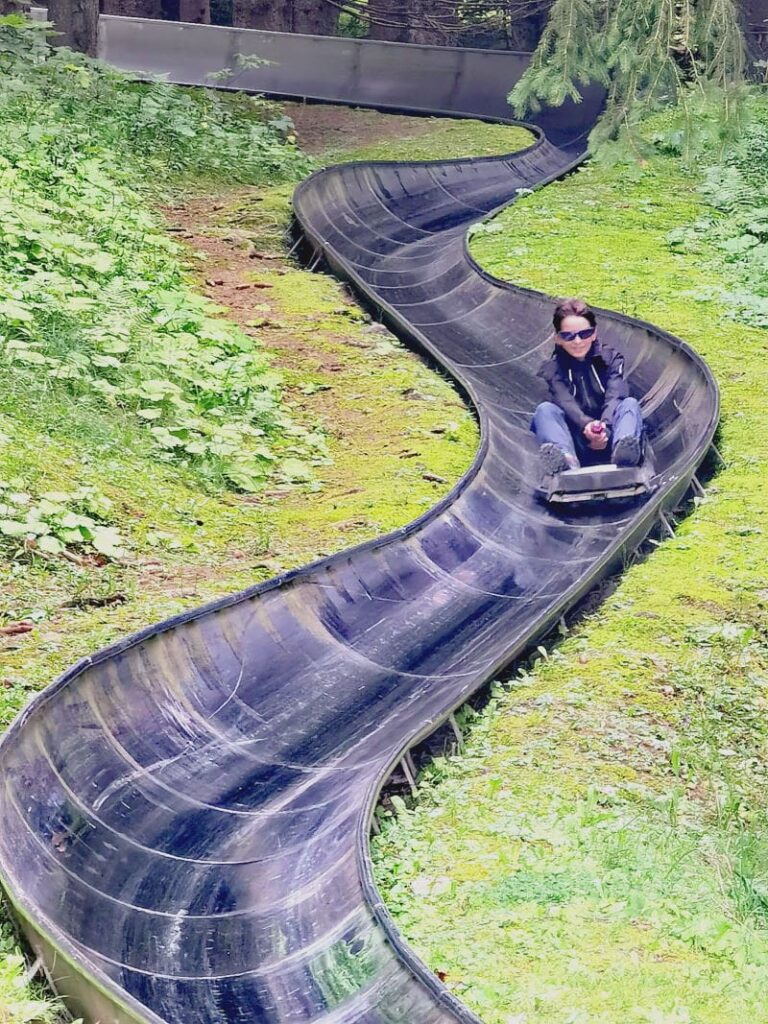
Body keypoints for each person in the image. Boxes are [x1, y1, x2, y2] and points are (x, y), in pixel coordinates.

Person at [531, 297, 644, 475]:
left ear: (593, 334)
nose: (577, 341)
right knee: (545, 410)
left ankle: (624, 455)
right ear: (558, 339)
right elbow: (565, 402)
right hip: (577, 439)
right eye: (568, 336)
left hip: (612, 433)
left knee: (629, 404)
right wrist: (588, 426)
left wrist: (603, 429)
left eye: (583, 334)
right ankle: (565, 460)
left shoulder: (611, 359)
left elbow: (616, 395)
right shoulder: (552, 370)